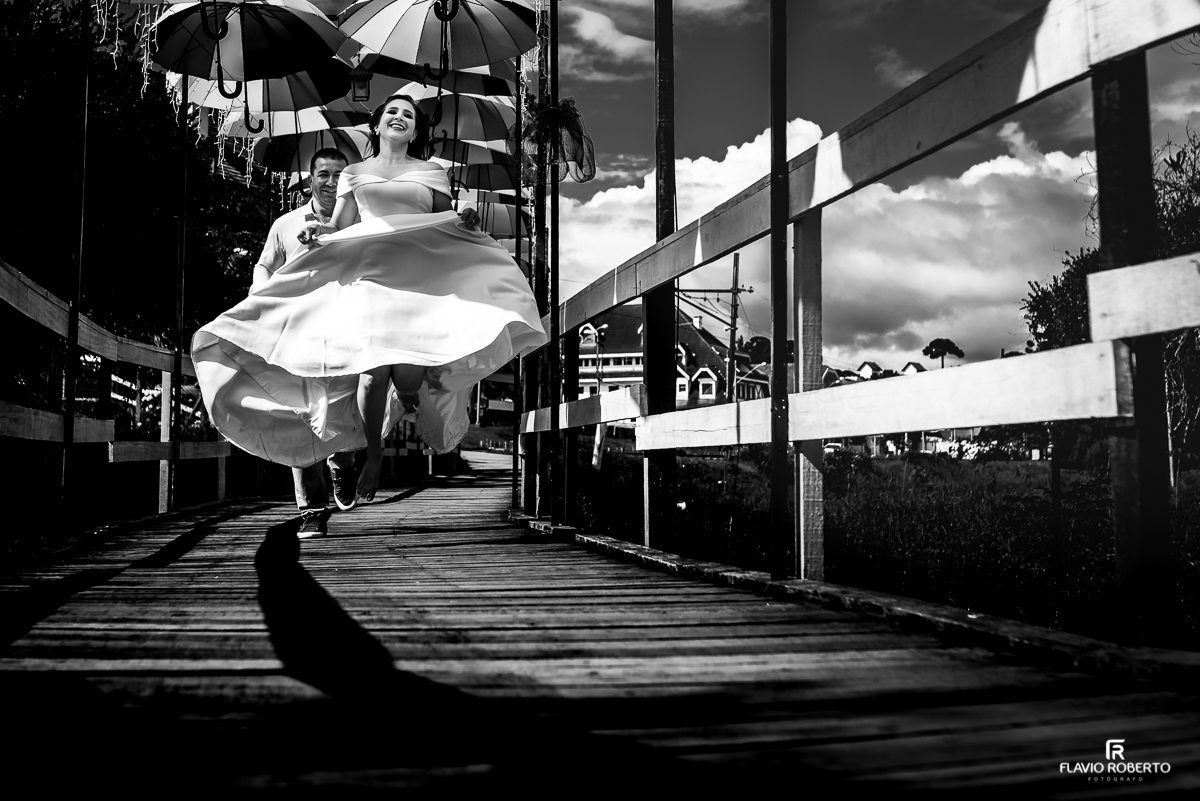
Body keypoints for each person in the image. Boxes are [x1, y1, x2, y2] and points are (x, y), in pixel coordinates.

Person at [192, 93, 547, 526]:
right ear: (378, 125)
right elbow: (339, 227)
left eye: (409, 115)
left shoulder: (431, 172)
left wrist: (467, 216)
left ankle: (410, 400)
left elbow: (445, 222)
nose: (400, 117)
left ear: (416, 132)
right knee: (372, 371)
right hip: (370, 283)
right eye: (392, 111)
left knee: (407, 375)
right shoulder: (355, 173)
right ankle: (373, 458)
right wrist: (310, 231)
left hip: (416, 287)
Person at [250, 148, 358, 538]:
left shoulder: (359, 221)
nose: (331, 182)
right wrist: (260, 296)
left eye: (339, 175)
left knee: (344, 412)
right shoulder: (286, 223)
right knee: (300, 415)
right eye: (323, 174)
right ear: (309, 179)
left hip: (346, 331)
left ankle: (343, 465)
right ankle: (312, 509)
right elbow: (264, 264)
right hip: (298, 333)